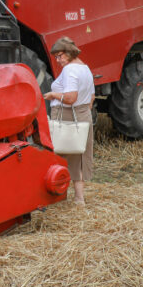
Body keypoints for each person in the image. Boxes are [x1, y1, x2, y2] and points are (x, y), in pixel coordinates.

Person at [42, 37, 94, 205]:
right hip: (84, 114)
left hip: (66, 115)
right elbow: (91, 96)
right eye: (56, 57)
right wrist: (82, 111)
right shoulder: (85, 68)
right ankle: (79, 198)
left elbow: (71, 97)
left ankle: (54, 194)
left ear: (69, 52)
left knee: (57, 153)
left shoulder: (70, 70)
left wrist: (52, 95)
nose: (58, 60)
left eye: (60, 56)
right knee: (79, 156)